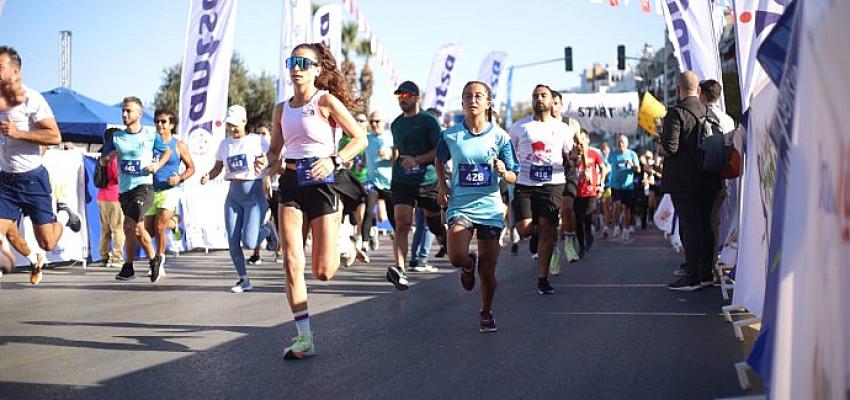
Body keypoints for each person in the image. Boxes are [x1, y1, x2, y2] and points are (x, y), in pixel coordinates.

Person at [264, 43, 367, 359]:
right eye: (292, 62)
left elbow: (361, 139)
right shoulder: (282, 109)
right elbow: (274, 150)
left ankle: (343, 243)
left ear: (317, 69)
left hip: (323, 182)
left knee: (323, 271)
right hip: (292, 183)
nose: (296, 68)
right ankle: (304, 338)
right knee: (291, 261)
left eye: (303, 63)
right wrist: (267, 167)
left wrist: (336, 160)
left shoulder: (326, 101)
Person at [436, 81, 519, 333]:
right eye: (467, 96)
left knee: (488, 270)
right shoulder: (450, 135)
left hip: (490, 208)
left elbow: (515, 174)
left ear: (488, 103)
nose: (472, 100)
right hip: (460, 204)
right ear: (462, 102)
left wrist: (504, 172)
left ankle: (486, 310)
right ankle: (467, 264)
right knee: (456, 256)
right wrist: (442, 186)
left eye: (478, 96)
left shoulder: (500, 136)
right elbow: (439, 160)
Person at [0, 46, 82, 285]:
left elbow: (54, 136)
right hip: (5, 180)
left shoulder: (31, 99)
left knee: (48, 242)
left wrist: (18, 133)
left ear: (15, 72)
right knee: (6, 231)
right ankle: (35, 258)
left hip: (32, 179)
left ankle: (65, 215)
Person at [509, 84, 574, 295]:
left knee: (547, 227)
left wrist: (576, 156)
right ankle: (541, 231)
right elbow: (509, 153)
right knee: (524, 229)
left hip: (552, 183)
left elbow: (570, 155)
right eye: (535, 95)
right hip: (525, 183)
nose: (539, 98)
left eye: (543, 95)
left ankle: (542, 278)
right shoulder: (520, 127)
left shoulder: (563, 128)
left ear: (551, 100)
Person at [661, 71, 723, 291]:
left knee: (690, 227)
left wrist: (661, 144)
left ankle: (692, 275)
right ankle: (706, 273)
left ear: (678, 90)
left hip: (684, 182)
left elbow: (670, 148)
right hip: (709, 178)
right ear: (698, 90)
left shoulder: (676, 113)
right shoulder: (710, 113)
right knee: (705, 225)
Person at [101, 96, 171, 282]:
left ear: (139, 113)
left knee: (132, 226)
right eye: (123, 110)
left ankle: (135, 264)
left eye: (128, 110)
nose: (124, 114)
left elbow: (167, 151)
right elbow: (102, 158)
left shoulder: (150, 135)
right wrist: (107, 159)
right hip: (125, 191)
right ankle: (145, 262)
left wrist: (157, 166)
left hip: (144, 187)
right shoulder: (117, 137)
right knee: (132, 228)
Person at [201, 105, 268, 293]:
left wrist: (267, 171)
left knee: (249, 242)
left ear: (245, 122)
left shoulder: (257, 140)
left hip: (253, 192)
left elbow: (273, 158)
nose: (232, 129)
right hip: (234, 195)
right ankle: (244, 279)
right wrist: (208, 176)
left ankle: (267, 231)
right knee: (232, 240)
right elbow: (218, 167)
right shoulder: (225, 144)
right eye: (229, 125)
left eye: (235, 125)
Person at [386, 80, 446, 290]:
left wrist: (418, 160)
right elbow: (398, 151)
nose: (402, 100)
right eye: (399, 96)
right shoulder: (395, 124)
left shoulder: (429, 122)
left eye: (406, 96)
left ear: (416, 97)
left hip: (428, 180)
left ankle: (449, 245)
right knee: (402, 224)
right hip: (403, 180)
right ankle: (400, 270)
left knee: (434, 224)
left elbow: (440, 152)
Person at [144, 110, 194, 270]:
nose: (159, 125)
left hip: (170, 190)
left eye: (163, 122)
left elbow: (191, 168)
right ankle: (174, 223)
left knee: (159, 226)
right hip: (151, 190)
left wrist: (179, 178)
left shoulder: (178, 145)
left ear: (171, 125)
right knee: (148, 231)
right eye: (157, 121)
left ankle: (158, 263)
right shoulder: (150, 143)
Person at [551, 90, 580, 264]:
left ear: (561, 105)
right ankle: (553, 250)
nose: (553, 106)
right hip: (550, 172)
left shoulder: (572, 124)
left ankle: (569, 242)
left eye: (556, 103)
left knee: (568, 208)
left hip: (568, 171)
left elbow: (580, 143)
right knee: (551, 216)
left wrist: (576, 155)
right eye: (551, 103)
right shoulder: (540, 124)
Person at [571, 129, 607, 258]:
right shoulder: (573, 155)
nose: (580, 143)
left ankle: (590, 233)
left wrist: (600, 184)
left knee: (588, 216)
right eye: (578, 140)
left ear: (588, 140)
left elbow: (604, 168)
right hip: (576, 192)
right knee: (578, 221)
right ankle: (581, 246)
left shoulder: (594, 153)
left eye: (583, 139)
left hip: (590, 191)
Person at [363, 110, 394, 250]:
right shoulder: (366, 138)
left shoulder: (391, 137)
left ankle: (395, 234)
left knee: (390, 215)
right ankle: (364, 242)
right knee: (369, 210)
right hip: (372, 182)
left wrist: (390, 156)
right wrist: (359, 163)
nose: (374, 124)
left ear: (384, 122)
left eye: (377, 121)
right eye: (372, 122)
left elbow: (400, 157)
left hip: (389, 183)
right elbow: (363, 156)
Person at [97, 128, 125, 268]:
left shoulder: (102, 155)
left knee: (105, 229)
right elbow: (117, 176)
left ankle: (104, 256)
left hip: (102, 195)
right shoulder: (114, 157)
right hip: (114, 196)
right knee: (118, 228)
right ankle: (117, 258)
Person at [607, 134, 640, 241]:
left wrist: (632, 165)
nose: (620, 144)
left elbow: (638, 169)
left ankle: (626, 229)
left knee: (626, 209)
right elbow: (607, 166)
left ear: (627, 144)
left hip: (628, 186)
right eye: (619, 142)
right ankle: (616, 226)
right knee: (616, 205)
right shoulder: (613, 155)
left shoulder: (632, 154)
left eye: (623, 142)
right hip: (615, 185)